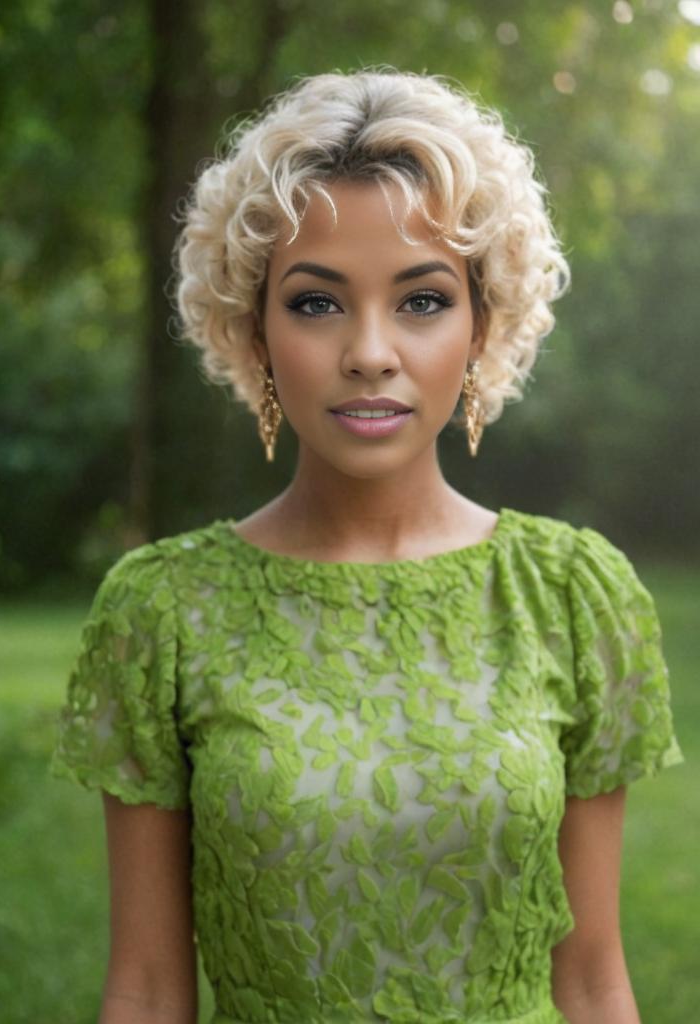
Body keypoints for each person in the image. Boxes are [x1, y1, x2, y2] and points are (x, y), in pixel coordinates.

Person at [50, 68, 684, 1024]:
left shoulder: (571, 595)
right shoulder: (161, 612)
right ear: (254, 332)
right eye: (317, 303)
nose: (370, 352)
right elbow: (143, 988)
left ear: (482, 327)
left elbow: (593, 978)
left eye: (423, 300)